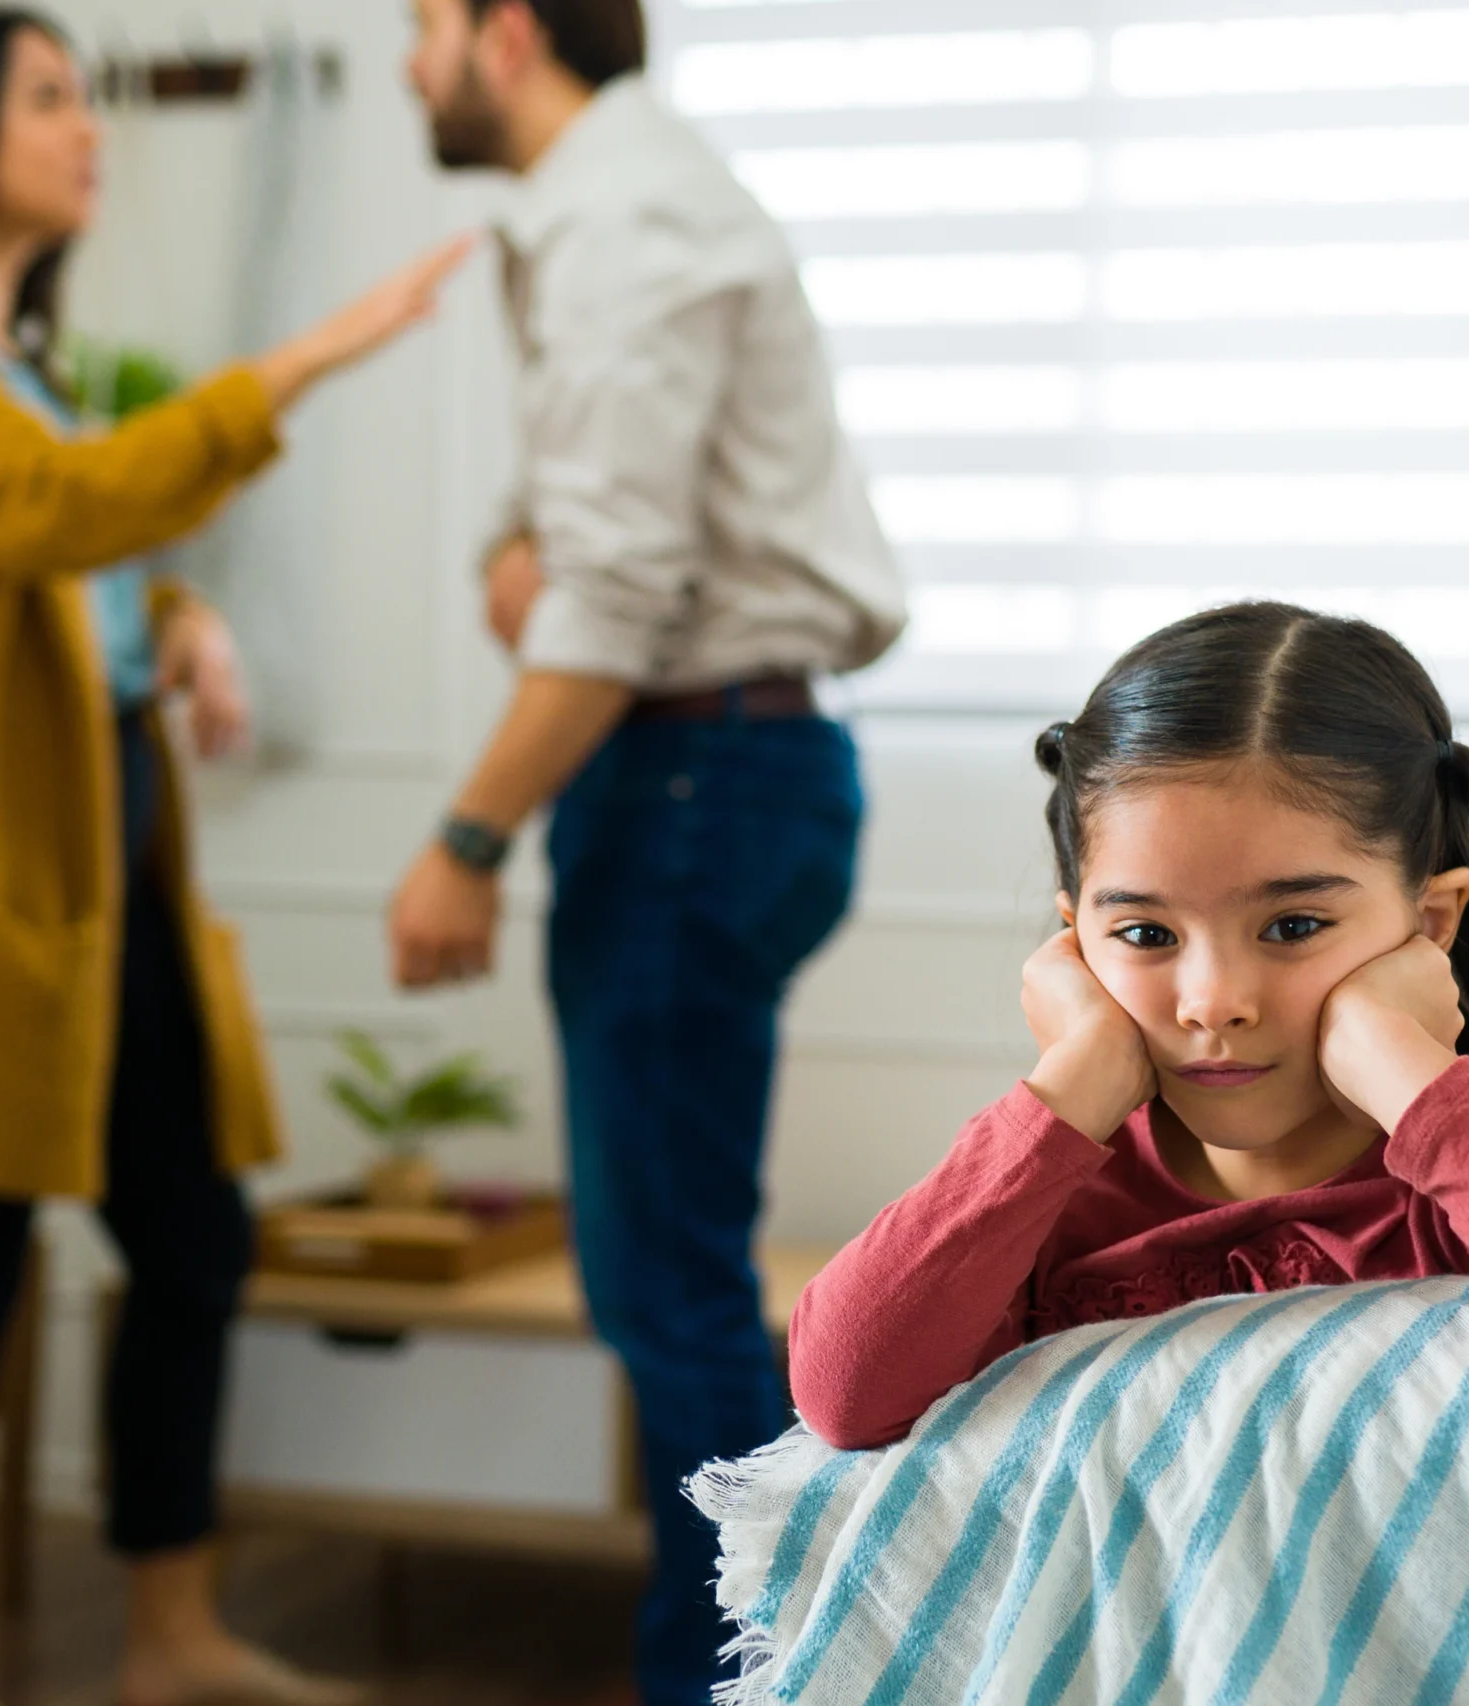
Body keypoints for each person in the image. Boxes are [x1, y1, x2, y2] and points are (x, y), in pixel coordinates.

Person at [0, 10, 470, 1705]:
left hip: (111, 867)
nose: (91, 130)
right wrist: (301, 361)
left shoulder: (20, 360)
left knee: (192, 1240)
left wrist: (181, 616)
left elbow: (63, 557)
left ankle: (170, 1634)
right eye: (53, 98)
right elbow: (45, 511)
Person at [390, 1, 906, 1698]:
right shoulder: (622, 207)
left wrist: (465, 839)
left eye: (421, 27)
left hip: (696, 775)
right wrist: (539, 562)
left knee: (669, 1295)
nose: (410, 65)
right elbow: (551, 549)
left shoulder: (620, 218)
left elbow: (599, 602)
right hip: (720, 766)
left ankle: (735, 1676)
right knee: (679, 1276)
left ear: (506, 28)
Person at [789, 603, 1469, 1453]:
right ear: (1072, 949)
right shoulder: (1048, 1199)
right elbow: (844, 1394)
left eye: (1292, 927)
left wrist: (1401, 1068)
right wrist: (1072, 1084)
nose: (1214, 1000)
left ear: (1428, 925)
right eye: (1147, 934)